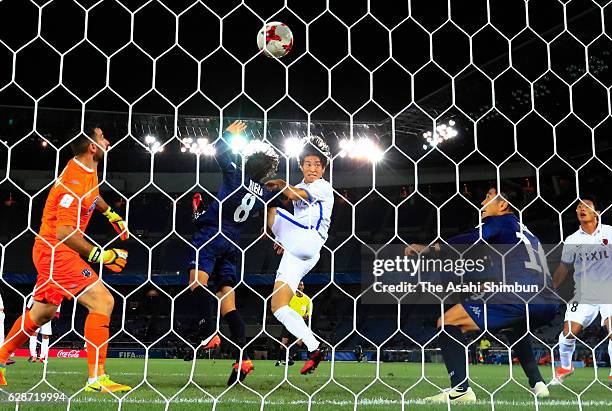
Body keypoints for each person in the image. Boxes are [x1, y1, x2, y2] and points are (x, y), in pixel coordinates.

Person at [0, 126, 130, 393]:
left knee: (42, 312)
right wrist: (101, 255)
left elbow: (93, 196)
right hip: (56, 250)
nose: (107, 140)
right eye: (102, 137)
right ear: (92, 147)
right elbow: (64, 232)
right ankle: (96, 378)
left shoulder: (87, 170)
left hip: (54, 250)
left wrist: (112, 215)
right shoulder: (72, 181)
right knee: (103, 301)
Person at [406, 188, 557, 403]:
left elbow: (471, 239)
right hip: (548, 301)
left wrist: (429, 249)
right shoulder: (528, 233)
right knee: (514, 326)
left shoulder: (499, 222)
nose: (482, 202)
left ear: (503, 204)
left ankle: (460, 391)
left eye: (487, 197)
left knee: (447, 322)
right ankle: (538, 383)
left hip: (518, 296)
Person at [187, 120, 279, 385]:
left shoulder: (236, 172)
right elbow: (271, 206)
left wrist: (229, 134)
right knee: (228, 304)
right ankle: (244, 359)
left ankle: (208, 332)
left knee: (196, 283)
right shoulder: (263, 192)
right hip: (234, 243)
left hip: (212, 236)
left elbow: (218, 151)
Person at [265, 136, 334, 375]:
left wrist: (279, 185)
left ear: (323, 168)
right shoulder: (298, 185)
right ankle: (316, 348)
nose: (313, 168)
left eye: (317, 164)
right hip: (299, 250)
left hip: (310, 241)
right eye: (308, 164)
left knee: (270, 205)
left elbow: (296, 196)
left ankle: (252, 189)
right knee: (278, 306)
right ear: (301, 166)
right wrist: (284, 239)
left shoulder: (323, 187)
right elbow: (295, 201)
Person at [550, 198, 612, 387]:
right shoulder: (572, 240)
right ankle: (566, 367)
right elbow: (564, 267)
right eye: (578, 207)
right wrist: (551, 288)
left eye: (586, 206)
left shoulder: (610, 232)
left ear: (597, 213)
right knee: (569, 332)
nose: (581, 209)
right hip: (584, 294)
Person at [275, 281, 312, 366]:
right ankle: (279, 360)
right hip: (289, 322)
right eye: (298, 285)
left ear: (303, 287)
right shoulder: (290, 297)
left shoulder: (307, 299)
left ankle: (289, 358)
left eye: (301, 285)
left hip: (299, 324)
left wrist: (307, 315)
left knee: (299, 342)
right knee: (283, 343)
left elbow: (309, 312)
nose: (299, 286)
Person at [26, 296, 60, 363]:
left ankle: (43, 357)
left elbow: (58, 298)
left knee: (46, 335)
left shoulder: (54, 286)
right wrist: (27, 307)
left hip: (48, 312)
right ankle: (33, 355)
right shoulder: (39, 286)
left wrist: (57, 312)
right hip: (37, 311)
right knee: (34, 333)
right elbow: (33, 295)